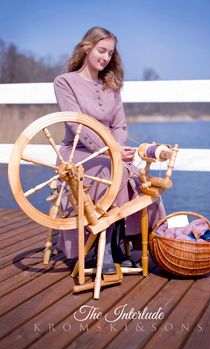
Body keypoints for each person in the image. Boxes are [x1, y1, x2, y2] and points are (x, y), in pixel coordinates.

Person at [54, 26, 165, 273]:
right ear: (87, 47)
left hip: (110, 152)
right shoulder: (64, 82)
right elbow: (75, 125)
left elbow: (119, 124)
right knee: (109, 172)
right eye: (101, 50)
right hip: (77, 152)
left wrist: (116, 149)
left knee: (137, 176)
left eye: (110, 53)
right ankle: (99, 248)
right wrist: (110, 151)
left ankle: (128, 242)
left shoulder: (112, 85)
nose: (105, 57)